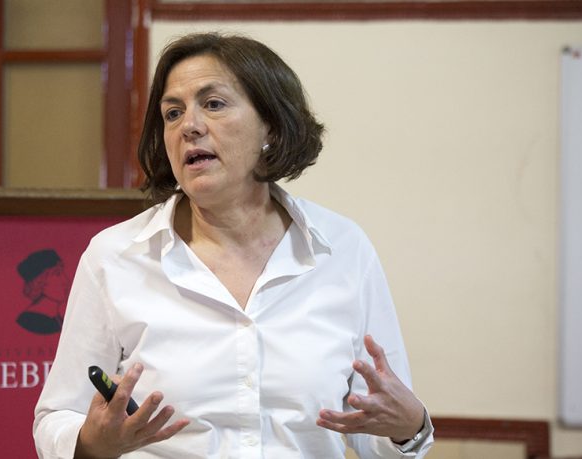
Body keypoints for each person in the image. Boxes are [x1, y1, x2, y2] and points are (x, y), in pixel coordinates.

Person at [34, 32, 434, 458]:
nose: (189, 126)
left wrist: (408, 429)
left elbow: (378, 433)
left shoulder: (343, 249)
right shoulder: (115, 256)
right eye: (172, 113)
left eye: (213, 104)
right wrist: (91, 443)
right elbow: (57, 417)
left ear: (271, 127)